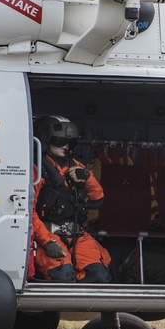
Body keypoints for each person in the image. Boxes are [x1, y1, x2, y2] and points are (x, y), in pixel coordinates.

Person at [32, 115, 112, 283]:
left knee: (98, 275)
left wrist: (87, 177)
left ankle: (86, 310)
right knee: (63, 275)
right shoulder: (37, 169)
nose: (66, 146)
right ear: (46, 139)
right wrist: (47, 242)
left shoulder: (75, 165)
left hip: (76, 233)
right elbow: (28, 212)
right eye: (60, 140)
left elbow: (98, 199)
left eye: (69, 141)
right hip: (48, 234)